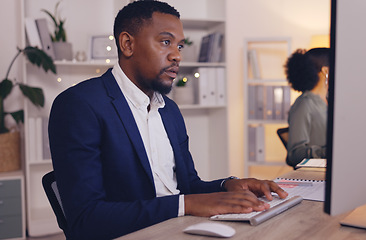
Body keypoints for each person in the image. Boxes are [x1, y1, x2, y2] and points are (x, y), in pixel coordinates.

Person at [48, 1, 288, 239]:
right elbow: (86, 220)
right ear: (127, 44)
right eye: (166, 42)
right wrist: (185, 205)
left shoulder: (169, 110)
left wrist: (228, 186)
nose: (177, 56)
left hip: (179, 229)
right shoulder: (79, 105)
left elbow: (188, 187)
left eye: (180, 46)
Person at [284, 48, 330, 167]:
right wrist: (330, 151)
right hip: (316, 175)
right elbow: (294, 155)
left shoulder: (329, 101)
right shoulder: (304, 105)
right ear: (325, 71)